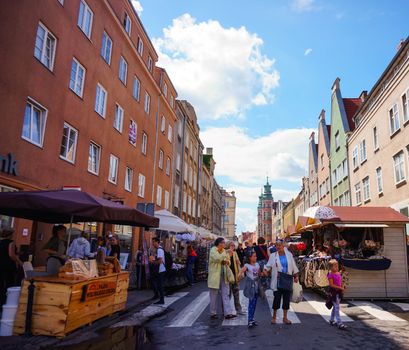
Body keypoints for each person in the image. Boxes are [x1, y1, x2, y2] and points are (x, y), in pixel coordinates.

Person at [265, 240, 299, 325]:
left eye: (280, 245)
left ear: (283, 246)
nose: (278, 247)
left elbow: (293, 266)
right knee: (276, 299)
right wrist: (265, 270)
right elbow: (268, 265)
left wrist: (296, 276)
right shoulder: (273, 255)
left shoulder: (289, 255)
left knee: (286, 299)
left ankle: (285, 317)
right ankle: (274, 317)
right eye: (277, 245)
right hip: (277, 280)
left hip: (287, 279)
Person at [207, 237, 236, 320]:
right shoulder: (213, 250)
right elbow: (217, 258)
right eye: (223, 242)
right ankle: (213, 313)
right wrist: (226, 253)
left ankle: (228, 313)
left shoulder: (223, 251)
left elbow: (228, 261)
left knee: (226, 294)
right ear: (218, 243)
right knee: (213, 296)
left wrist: (227, 261)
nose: (224, 244)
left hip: (224, 275)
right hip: (215, 276)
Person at [0, 228, 22, 306]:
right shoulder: (11, 243)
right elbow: (11, 255)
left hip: (1, 266)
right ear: (10, 235)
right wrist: (20, 262)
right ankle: (7, 301)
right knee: (9, 284)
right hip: (8, 267)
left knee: (1, 284)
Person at [239, 251, 261, 328]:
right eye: (254, 256)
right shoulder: (247, 265)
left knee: (254, 304)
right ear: (250, 258)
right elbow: (242, 270)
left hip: (256, 285)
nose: (256, 257)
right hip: (251, 286)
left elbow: (258, 274)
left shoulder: (257, 264)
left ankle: (252, 319)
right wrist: (239, 274)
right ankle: (250, 320)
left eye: (256, 256)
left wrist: (263, 273)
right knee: (251, 303)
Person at [327, 259, 347, 330]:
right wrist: (340, 288)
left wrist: (342, 289)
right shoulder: (330, 274)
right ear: (331, 267)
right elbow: (331, 285)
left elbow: (340, 282)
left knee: (335, 307)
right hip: (333, 293)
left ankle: (332, 320)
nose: (336, 267)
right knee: (337, 307)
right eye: (335, 266)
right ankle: (339, 323)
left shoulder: (338, 273)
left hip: (338, 292)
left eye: (337, 266)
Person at [227, 241, 244, 315]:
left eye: (234, 246)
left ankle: (238, 309)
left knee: (236, 293)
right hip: (227, 277)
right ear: (228, 246)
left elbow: (238, 263)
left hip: (235, 275)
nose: (233, 247)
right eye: (231, 245)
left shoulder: (235, 253)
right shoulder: (225, 253)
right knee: (227, 294)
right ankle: (226, 310)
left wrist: (238, 263)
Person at [150, 237, 166, 305]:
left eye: (153, 242)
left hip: (160, 270)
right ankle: (157, 295)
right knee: (153, 281)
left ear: (157, 242)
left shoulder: (159, 250)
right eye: (152, 242)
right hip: (159, 270)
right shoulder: (158, 249)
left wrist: (152, 262)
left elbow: (159, 261)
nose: (152, 243)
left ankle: (161, 300)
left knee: (159, 285)